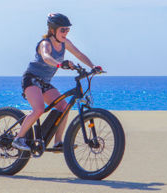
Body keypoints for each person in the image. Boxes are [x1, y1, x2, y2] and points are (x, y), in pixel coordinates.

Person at [12, 13, 102, 152]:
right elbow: (46, 57)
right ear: (53, 30)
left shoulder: (65, 43)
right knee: (39, 109)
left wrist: (93, 67)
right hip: (31, 79)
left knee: (64, 107)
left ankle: (58, 142)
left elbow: (79, 54)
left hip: (45, 83)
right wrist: (60, 64)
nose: (66, 33)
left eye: (67, 30)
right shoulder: (45, 43)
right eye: (62, 30)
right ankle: (18, 138)